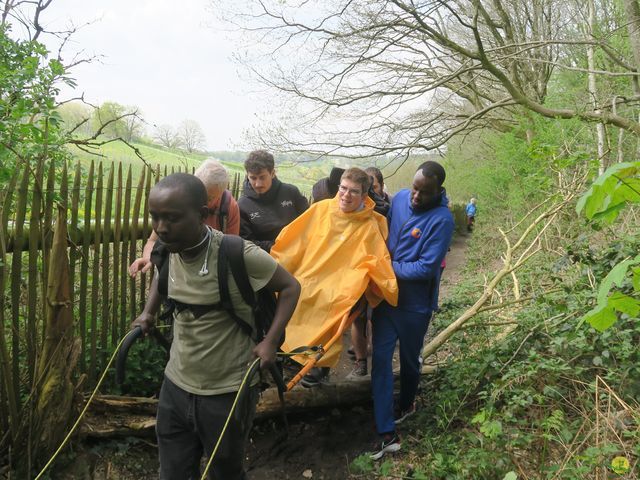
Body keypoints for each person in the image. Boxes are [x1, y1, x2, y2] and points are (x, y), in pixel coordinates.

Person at [132, 173, 300, 479]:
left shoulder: (238, 254)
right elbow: (161, 272)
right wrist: (148, 313)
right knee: (172, 472)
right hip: (175, 387)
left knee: (223, 472)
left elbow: (291, 287)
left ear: (201, 215)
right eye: (155, 218)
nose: (161, 228)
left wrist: (271, 342)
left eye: (172, 218)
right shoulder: (169, 250)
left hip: (227, 393)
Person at [270, 167, 398, 387]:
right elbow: (294, 241)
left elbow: (376, 260)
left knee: (332, 303)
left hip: (341, 283)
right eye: (343, 188)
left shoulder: (370, 225)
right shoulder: (320, 209)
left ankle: (320, 364)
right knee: (294, 293)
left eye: (353, 191)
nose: (346, 195)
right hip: (309, 273)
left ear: (364, 196)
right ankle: (288, 354)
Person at [370, 161, 454, 460]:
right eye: (415, 188)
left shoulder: (442, 220)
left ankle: (406, 403)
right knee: (380, 360)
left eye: (424, 193)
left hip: (415, 306)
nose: (416, 197)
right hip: (386, 300)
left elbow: (426, 267)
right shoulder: (402, 197)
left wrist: (387, 268)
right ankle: (386, 431)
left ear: (438, 192)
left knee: (409, 362)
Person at [128, 159, 240, 277]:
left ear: (221, 193)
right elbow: (153, 240)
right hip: (174, 271)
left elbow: (230, 249)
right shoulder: (179, 200)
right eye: (197, 195)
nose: (200, 201)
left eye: (209, 198)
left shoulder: (229, 207)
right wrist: (148, 258)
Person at [238, 150, 308, 252]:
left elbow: (308, 222)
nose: (258, 184)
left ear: (272, 173)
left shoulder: (291, 192)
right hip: (265, 258)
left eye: (262, 177)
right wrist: (276, 246)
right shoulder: (242, 205)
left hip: (299, 250)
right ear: (247, 175)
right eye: (253, 178)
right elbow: (246, 243)